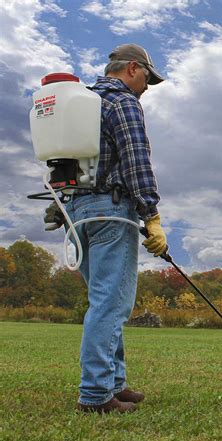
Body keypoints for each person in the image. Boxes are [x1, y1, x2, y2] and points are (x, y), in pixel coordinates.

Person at [45, 44, 168, 413]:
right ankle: (96, 395)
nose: (147, 86)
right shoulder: (122, 101)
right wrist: (152, 216)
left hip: (75, 212)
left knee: (103, 300)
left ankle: (115, 382)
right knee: (111, 304)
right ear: (133, 68)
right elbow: (136, 159)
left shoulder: (79, 102)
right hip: (110, 210)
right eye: (147, 77)